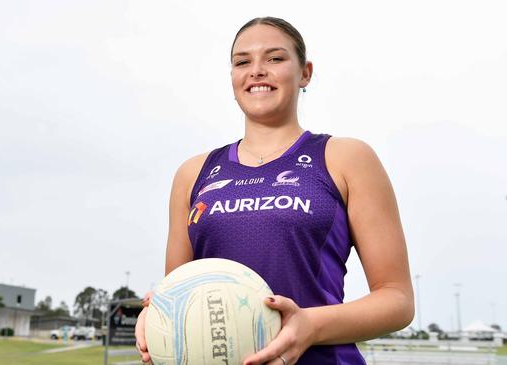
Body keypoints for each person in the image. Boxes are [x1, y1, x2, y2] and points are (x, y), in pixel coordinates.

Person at [135, 16, 414, 365]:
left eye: (275, 58)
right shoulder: (194, 173)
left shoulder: (346, 158)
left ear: (305, 73)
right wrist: (156, 316)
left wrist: (310, 325)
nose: (256, 71)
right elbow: (178, 292)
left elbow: (397, 300)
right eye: (242, 62)